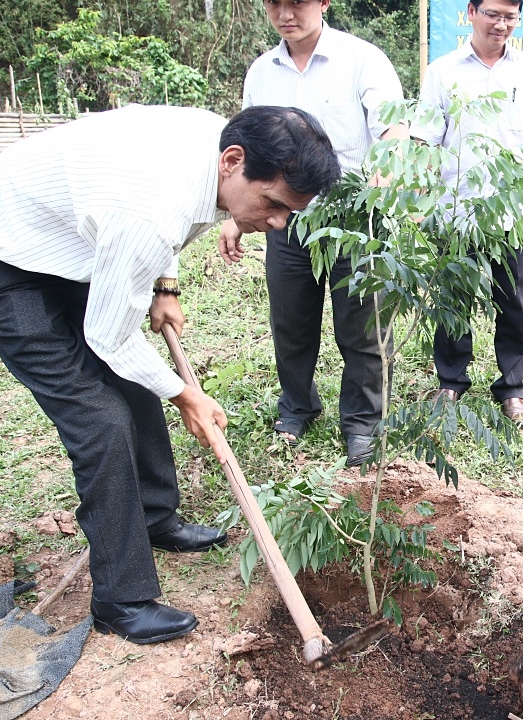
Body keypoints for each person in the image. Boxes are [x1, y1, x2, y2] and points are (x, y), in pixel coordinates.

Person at [0, 104, 340, 644]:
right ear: (233, 160)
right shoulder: (151, 210)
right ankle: (121, 601)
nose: (276, 222)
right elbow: (110, 331)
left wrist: (164, 287)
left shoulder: (212, 147)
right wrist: (185, 395)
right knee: (100, 418)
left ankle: (154, 518)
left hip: (71, 244)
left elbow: (165, 234)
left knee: (134, 382)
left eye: (289, 211)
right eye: (271, 203)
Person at [218, 0, 408, 466]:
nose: (286, 13)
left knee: (362, 327)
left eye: (298, 2)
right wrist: (233, 214)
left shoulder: (363, 59)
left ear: (324, 2)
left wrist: (379, 192)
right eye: (275, 3)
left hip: (354, 224)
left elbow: (395, 130)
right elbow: (245, 155)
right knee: (291, 322)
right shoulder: (261, 72)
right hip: (285, 219)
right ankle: (298, 406)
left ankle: (363, 423)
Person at [413, 0, 523, 426]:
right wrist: (416, 200)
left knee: (514, 302)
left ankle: (512, 388)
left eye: (510, 17)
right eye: (493, 14)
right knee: (452, 297)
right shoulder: (443, 71)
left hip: (512, 212)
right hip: (454, 209)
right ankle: (450, 381)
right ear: (471, 11)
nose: (501, 24)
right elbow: (425, 139)